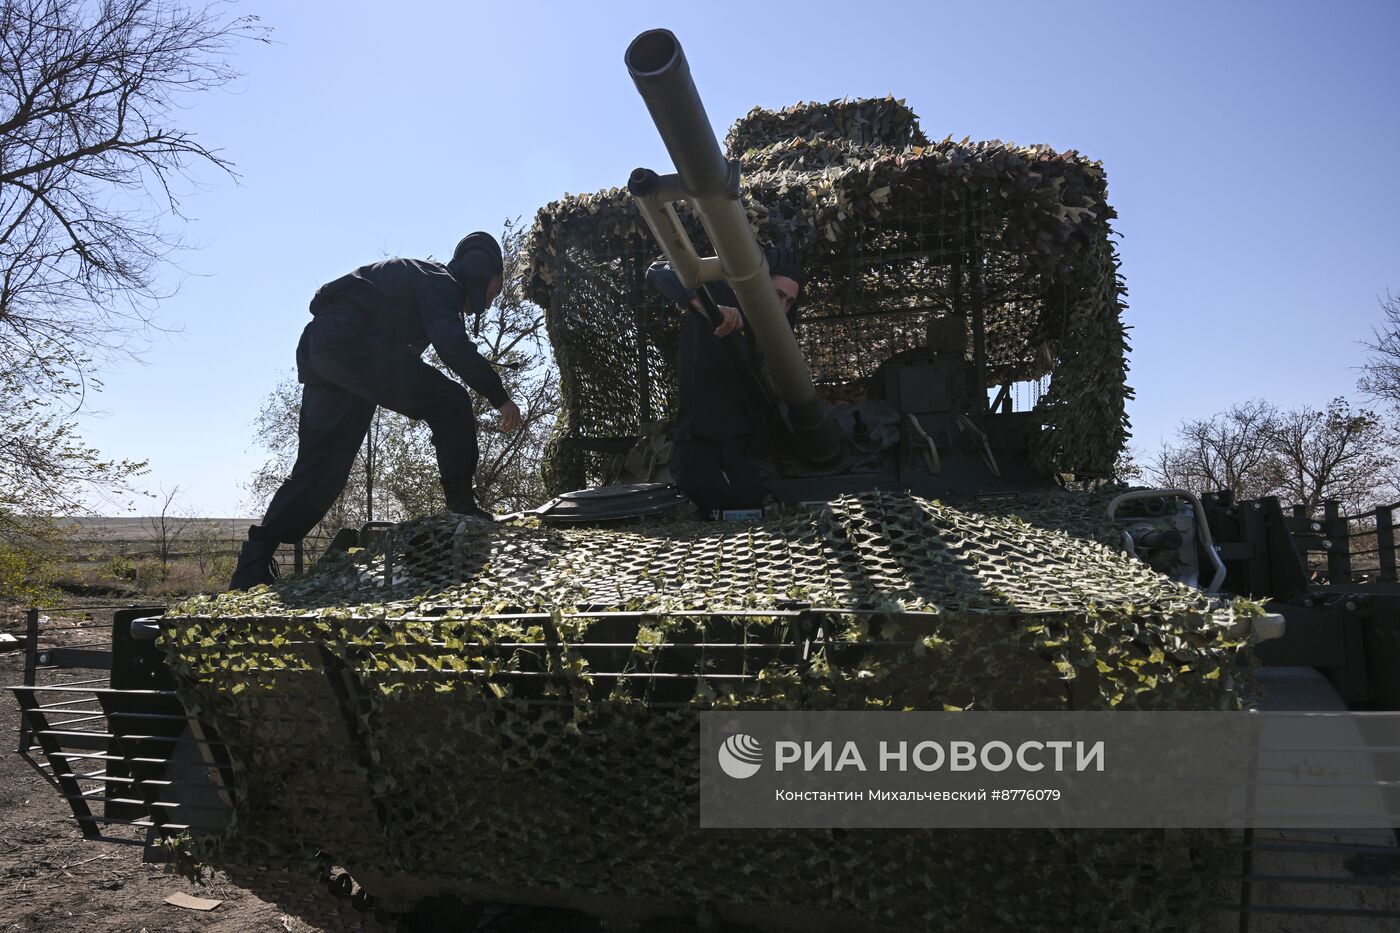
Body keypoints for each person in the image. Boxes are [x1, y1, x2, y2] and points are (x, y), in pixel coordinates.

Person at [228, 232, 522, 591]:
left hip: (324, 352)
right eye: (496, 286)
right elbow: (453, 347)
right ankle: (462, 506)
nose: (494, 297)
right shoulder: (440, 282)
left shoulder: (428, 283)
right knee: (451, 402)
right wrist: (500, 397)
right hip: (352, 346)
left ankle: (252, 564)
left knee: (321, 471)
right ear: (480, 271)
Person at [645, 246, 803, 515]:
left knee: (749, 508)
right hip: (698, 437)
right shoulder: (718, 292)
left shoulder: (772, 333)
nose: (782, 307)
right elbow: (658, 271)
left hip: (742, 445)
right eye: (778, 294)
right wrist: (708, 307)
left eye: (789, 302)